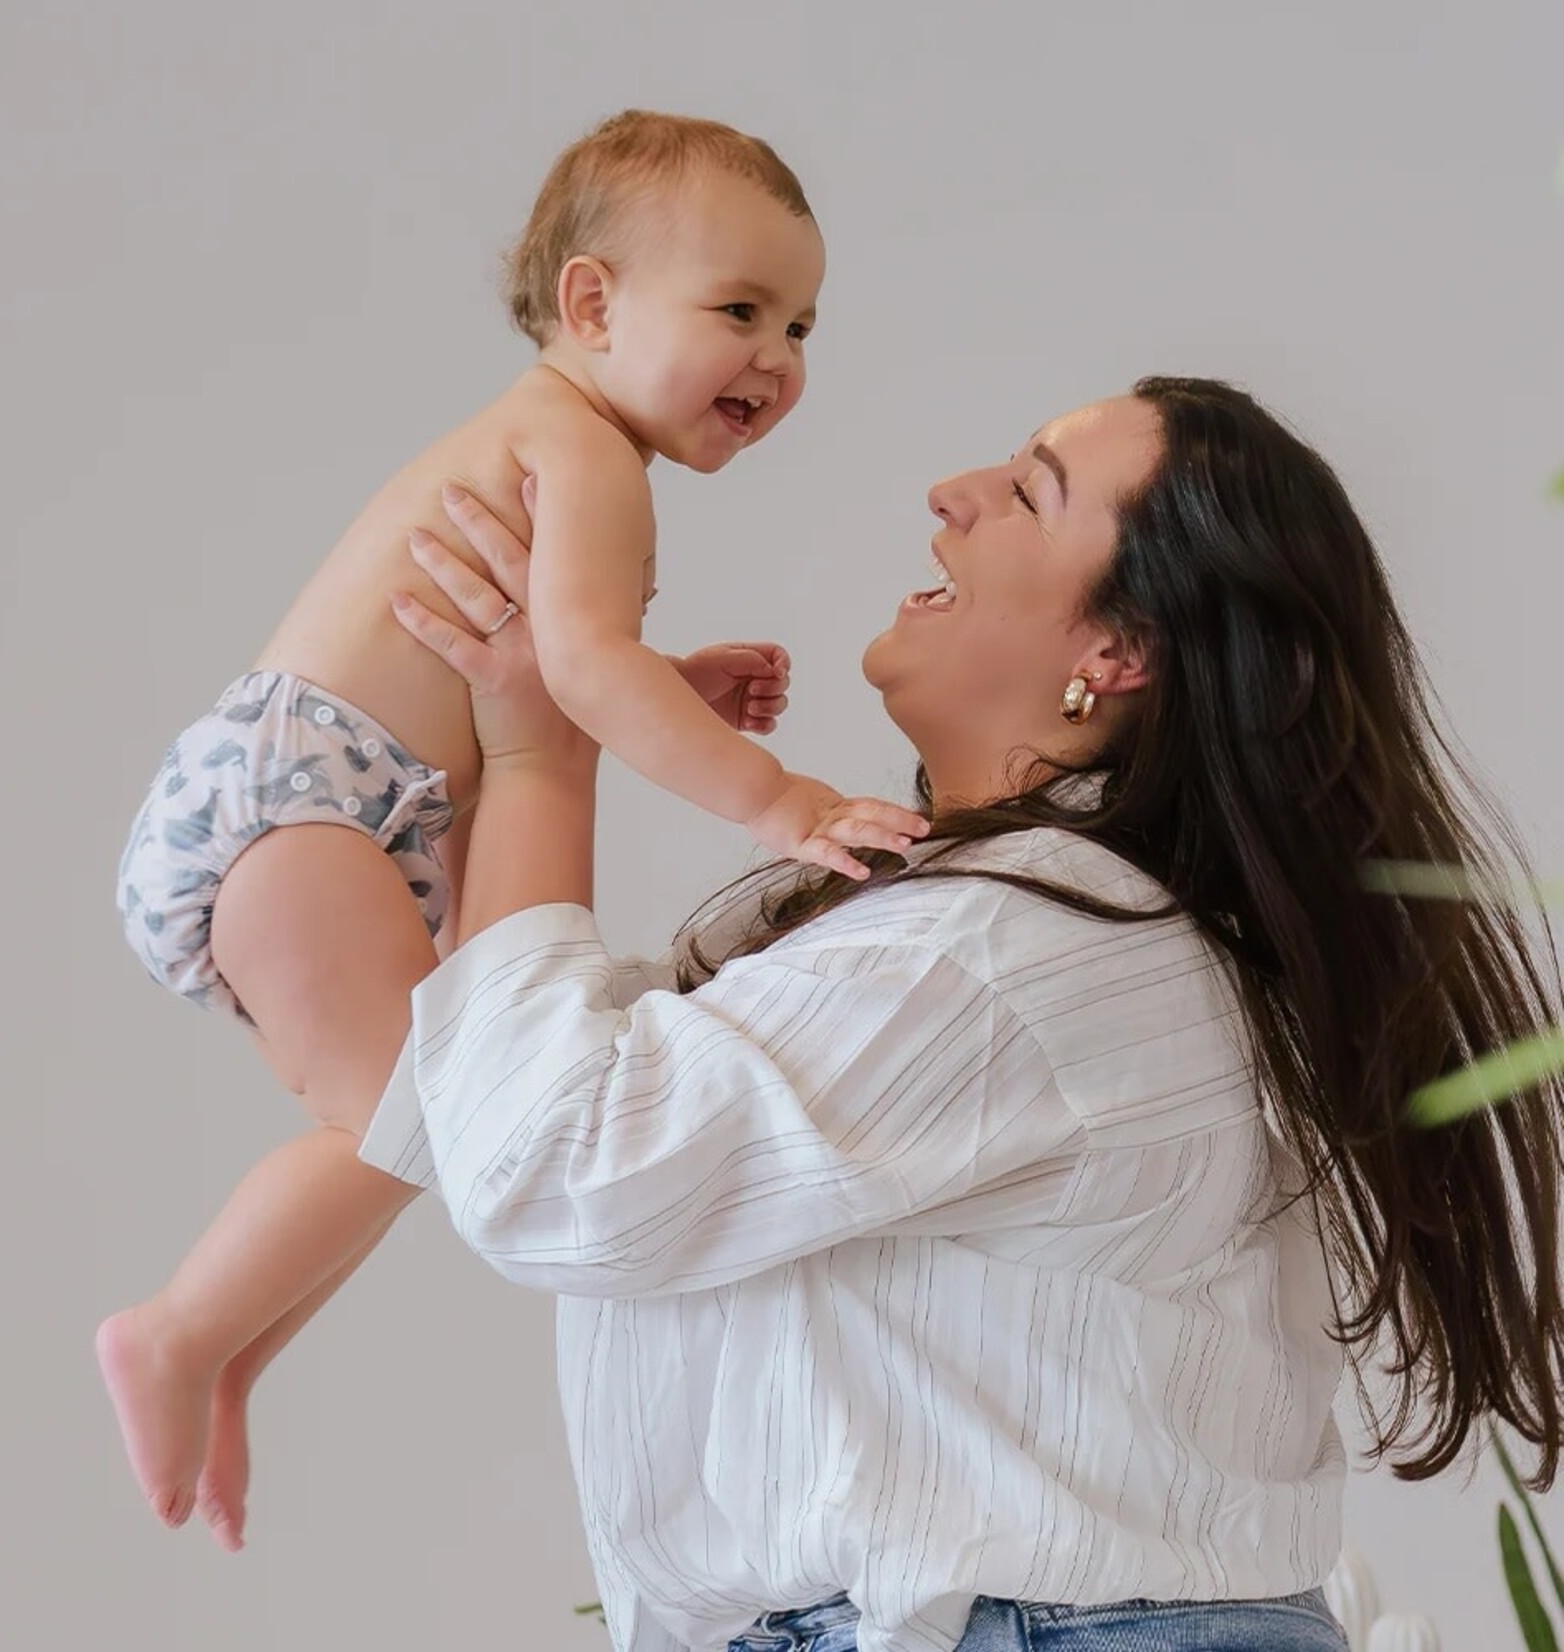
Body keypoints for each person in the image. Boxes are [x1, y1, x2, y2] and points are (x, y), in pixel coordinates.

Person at [356, 377, 1564, 1652]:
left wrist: (542, 753)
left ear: (1116, 652)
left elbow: (550, 1162)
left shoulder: (1005, 948)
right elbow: (482, 1097)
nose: (951, 494)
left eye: (1030, 490)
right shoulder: (994, 924)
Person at [97, 108, 929, 1544]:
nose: (778, 359)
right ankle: (174, 1334)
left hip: (297, 806)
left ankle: (227, 1354)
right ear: (593, 304)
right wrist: (779, 798)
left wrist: (671, 685)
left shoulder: (556, 441)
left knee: (413, 1128)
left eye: (801, 325)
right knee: (429, 1123)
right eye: (739, 311)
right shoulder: (585, 454)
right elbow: (580, 676)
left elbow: (553, 670)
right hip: (306, 815)